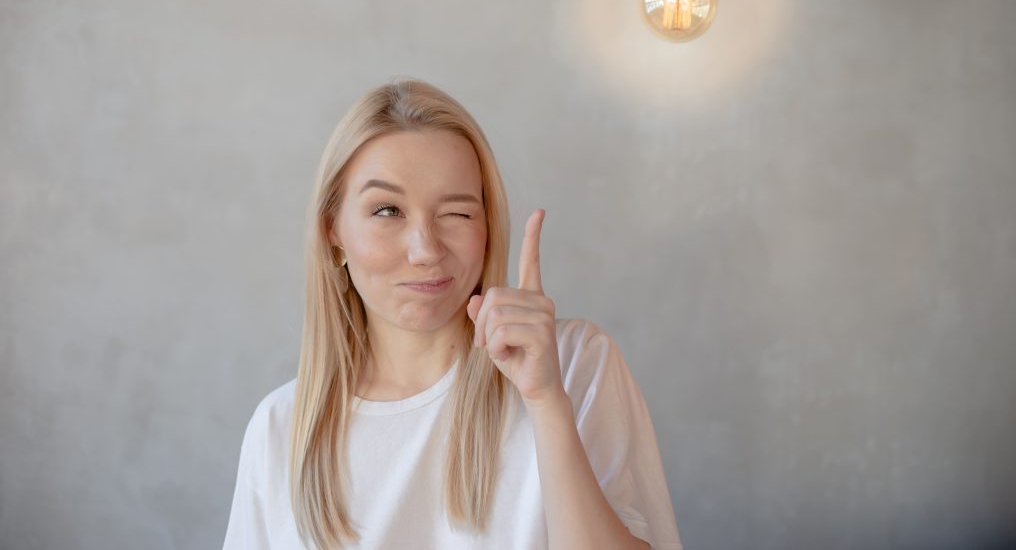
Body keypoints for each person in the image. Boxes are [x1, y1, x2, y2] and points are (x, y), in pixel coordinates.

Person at [223, 79, 683, 549]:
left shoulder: (573, 364)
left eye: (458, 213)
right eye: (387, 210)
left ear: (487, 228)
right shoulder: (281, 427)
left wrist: (546, 402)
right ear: (333, 233)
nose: (426, 250)